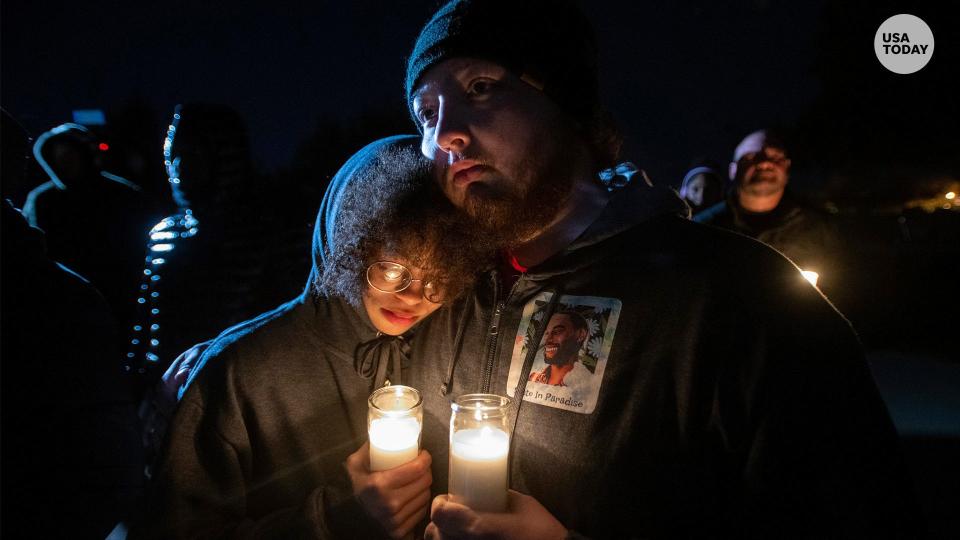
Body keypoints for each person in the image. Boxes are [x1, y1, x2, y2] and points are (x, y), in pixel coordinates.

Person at [401, 1, 921, 538]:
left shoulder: (747, 300)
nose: (445, 135)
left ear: (569, 103)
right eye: (426, 113)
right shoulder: (438, 294)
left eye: (480, 88)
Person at [131, 136, 490, 539]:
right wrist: (334, 521)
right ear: (349, 245)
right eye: (392, 269)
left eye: (438, 280)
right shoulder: (238, 373)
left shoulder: (451, 350)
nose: (411, 297)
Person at [694, 130, 840, 281]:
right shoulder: (702, 229)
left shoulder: (823, 231)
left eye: (775, 157)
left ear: (787, 167)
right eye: (751, 157)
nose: (764, 163)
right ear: (733, 170)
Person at [527, 311, 589, 387]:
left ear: (581, 335)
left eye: (557, 331)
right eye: (546, 333)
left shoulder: (585, 384)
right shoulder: (534, 379)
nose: (548, 340)